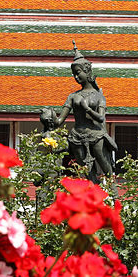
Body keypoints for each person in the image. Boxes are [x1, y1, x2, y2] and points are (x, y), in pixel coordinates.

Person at [51, 43, 117, 183]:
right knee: (86, 172)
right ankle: (93, 195)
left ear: (87, 72)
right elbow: (59, 121)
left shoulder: (98, 96)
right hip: (77, 136)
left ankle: (114, 196)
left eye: (78, 72)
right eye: (74, 74)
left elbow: (100, 118)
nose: (76, 76)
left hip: (96, 134)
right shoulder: (73, 96)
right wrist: (50, 119)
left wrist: (86, 108)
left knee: (106, 169)